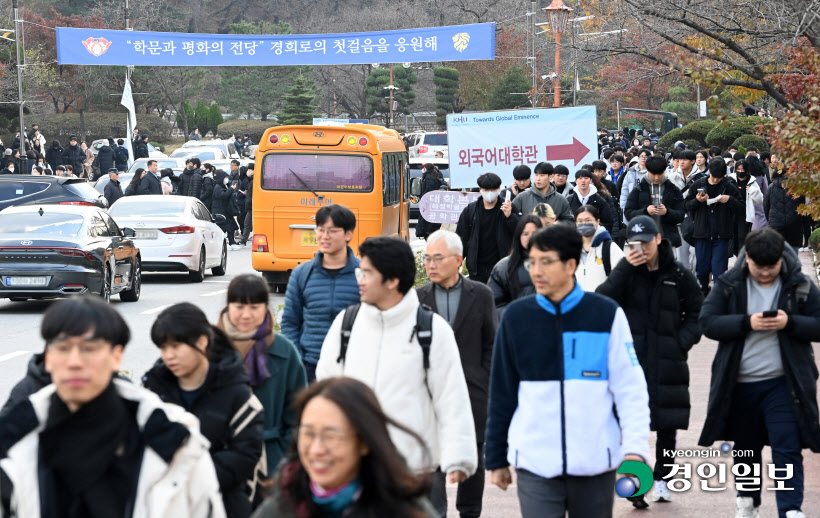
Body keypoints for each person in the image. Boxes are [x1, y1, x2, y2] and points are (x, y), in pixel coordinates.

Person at [0, 296, 226, 517]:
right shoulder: (14, 439)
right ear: (48, 357)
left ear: (117, 356)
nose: (75, 362)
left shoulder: (175, 439)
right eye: (63, 348)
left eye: (90, 349)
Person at [485, 223, 650, 518]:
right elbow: (502, 392)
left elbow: (630, 388)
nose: (536, 271)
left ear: (570, 264)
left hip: (596, 462)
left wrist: (635, 448)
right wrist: (496, 458)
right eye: (531, 262)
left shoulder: (606, 314)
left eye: (546, 262)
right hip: (535, 465)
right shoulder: (515, 318)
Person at [316, 237, 478, 487]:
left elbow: (451, 396)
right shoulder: (346, 324)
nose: (359, 279)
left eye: (367, 273)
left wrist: (459, 458)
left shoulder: (432, 330)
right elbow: (326, 391)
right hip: (354, 467)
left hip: (413, 470)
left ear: (392, 281)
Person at [698, 228, 820, 518]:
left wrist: (790, 323)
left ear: (781, 259)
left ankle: (790, 509)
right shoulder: (729, 284)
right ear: (747, 258)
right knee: (746, 449)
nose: (765, 273)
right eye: (758, 267)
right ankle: (747, 501)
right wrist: (746, 322)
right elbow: (708, 322)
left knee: (786, 445)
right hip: (739, 384)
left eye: (772, 267)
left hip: (784, 383)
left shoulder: (798, 284)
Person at [596, 215, 703, 506]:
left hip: (669, 360)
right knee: (634, 425)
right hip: (633, 361)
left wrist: (681, 343)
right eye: (634, 243)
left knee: (668, 427)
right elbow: (601, 302)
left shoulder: (679, 274)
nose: (640, 248)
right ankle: (638, 487)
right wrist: (623, 270)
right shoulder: (626, 272)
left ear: (657, 239)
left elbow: (697, 314)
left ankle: (663, 479)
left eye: (645, 242)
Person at [250, 377, 438, 518]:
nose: (316, 450)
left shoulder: (404, 508)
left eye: (331, 436)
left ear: (364, 442)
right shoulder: (284, 503)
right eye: (308, 434)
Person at [144, 303, 264, 518]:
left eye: (176, 346)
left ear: (202, 341)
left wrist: (189, 476)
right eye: (163, 348)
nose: (168, 355)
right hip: (166, 506)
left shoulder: (237, 394)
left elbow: (244, 456)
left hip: (224, 504)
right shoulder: (153, 391)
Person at [417, 229, 497, 518]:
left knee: (472, 459)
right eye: (427, 259)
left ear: (459, 260)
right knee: (432, 461)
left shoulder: (481, 294)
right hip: (430, 395)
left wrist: (484, 380)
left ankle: (469, 512)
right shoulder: (418, 298)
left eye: (438, 258)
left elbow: (491, 343)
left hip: (472, 393)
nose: (430, 265)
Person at [218, 274, 307, 476]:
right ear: (228, 306)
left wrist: (282, 459)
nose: (246, 315)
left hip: (271, 462)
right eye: (239, 307)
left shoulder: (285, 351)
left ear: (266, 308)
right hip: (221, 461)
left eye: (254, 307)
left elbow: (298, 415)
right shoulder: (211, 348)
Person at [281, 204, 361, 382]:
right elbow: (290, 322)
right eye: (321, 230)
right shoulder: (302, 273)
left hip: (352, 369)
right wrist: (299, 360)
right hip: (310, 366)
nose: (325, 236)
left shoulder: (363, 273)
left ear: (348, 234)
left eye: (332, 231)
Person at [684, 158, 743, 294]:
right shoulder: (699, 184)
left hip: (721, 234)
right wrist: (697, 201)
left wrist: (730, 200)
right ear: (709, 171)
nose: (716, 180)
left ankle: (719, 296)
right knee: (702, 269)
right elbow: (686, 205)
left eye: (719, 177)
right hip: (702, 233)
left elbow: (741, 208)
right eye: (714, 176)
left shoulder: (729, 187)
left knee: (719, 270)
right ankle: (704, 291)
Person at [455, 172, 517, 283]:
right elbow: (461, 238)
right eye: (486, 189)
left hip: (502, 265)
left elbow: (519, 232)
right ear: (480, 190)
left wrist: (510, 217)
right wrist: (457, 261)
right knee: (478, 298)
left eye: (493, 189)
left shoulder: (508, 208)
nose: (489, 193)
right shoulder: (470, 210)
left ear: (499, 189)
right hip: (477, 267)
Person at [624, 155, 685, 248]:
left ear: (664, 171)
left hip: (667, 241)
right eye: (653, 174)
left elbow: (681, 215)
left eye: (659, 174)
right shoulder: (639, 189)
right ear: (648, 171)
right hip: (643, 239)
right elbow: (628, 213)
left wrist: (667, 212)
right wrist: (645, 211)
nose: (656, 177)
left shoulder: (673, 190)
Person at [489, 215, 543, 314]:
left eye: (535, 233)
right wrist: (516, 315)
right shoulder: (503, 267)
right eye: (525, 234)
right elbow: (494, 304)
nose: (530, 238)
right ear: (519, 236)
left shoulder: (556, 263)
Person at [575, 205, 625, 292]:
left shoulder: (608, 247)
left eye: (588, 220)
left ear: (597, 222)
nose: (583, 224)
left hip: (602, 302)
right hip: (579, 303)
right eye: (580, 221)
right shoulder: (573, 248)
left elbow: (623, 274)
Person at [729, 159, 764, 257]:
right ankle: (736, 254)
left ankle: (741, 257)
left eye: (742, 169)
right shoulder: (731, 180)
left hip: (745, 213)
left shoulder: (751, 181)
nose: (740, 171)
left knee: (742, 236)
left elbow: (759, 199)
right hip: (732, 212)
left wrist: (752, 191)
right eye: (738, 169)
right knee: (733, 236)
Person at [765, 168, 804, 249]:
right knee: (793, 253)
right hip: (794, 224)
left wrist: (770, 220)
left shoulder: (771, 187)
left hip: (775, 224)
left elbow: (766, 206)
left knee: (776, 253)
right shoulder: (797, 188)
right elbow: (802, 208)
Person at [213, 169, 241, 250]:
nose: (227, 179)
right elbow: (224, 195)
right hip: (220, 211)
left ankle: (232, 242)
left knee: (231, 227)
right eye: (225, 177)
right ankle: (223, 244)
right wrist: (231, 189)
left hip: (226, 210)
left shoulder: (223, 185)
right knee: (224, 228)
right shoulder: (217, 187)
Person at [416, 164, 446, 240]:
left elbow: (428, 190)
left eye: (424, 168)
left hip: (429, 203)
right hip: (433, 203)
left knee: (428, 222)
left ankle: (427, 234)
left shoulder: (429, 177)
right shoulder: (435, 175)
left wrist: (423, 198)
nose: (423, 170)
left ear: (426, 169)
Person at [241, 162, 255, 246]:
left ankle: (243, 240)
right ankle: (243, 240)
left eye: (250, 170)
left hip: (253, 205)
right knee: (247, 223)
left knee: (247, 223)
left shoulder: (255, 181)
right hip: (250, 205)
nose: (248, 171)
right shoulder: (251, 180)